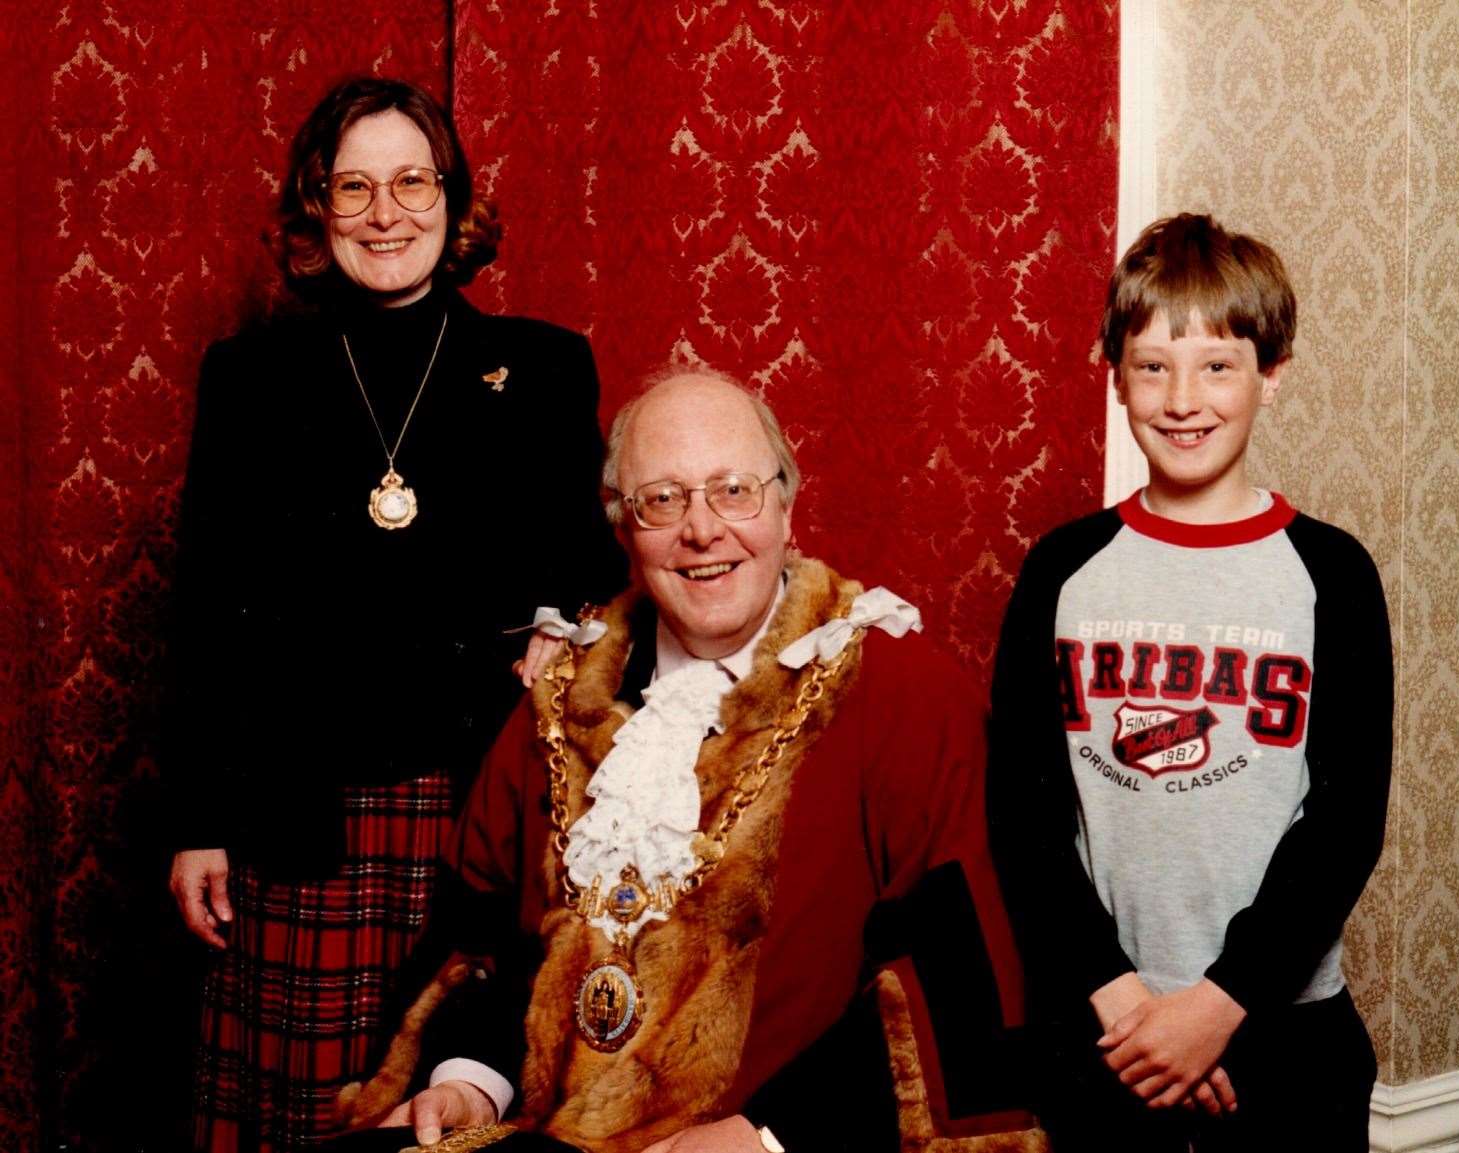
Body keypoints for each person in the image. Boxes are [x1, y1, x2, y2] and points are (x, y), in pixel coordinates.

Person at [349, 369, 1038, 1151]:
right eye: (663, 499)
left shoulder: (906, 697)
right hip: (552, 1133)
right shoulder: (557, 705)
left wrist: (768, 1134)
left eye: (734, 489)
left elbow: (960, 987)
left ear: (786, 503)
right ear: (623, 527)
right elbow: (487, 944)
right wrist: (469, 1082)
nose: (702, 529)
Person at [163, 77, 626, 1152]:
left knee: (456, 1105)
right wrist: (198, 818)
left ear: (453, 199)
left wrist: (566, 625)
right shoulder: (250, 377)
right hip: (297, 816)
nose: (387, 212)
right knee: (304, 1122)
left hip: (478, 804)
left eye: (413, 181)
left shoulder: (545, 366)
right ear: (316, 211)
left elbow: (594, 569)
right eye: (354, 186)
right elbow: (206, 609)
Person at [988, 214, 1392, 1151]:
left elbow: (1344, 824)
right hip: (1107, 1027)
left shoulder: (1332, 571)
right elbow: (1024, 811)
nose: (1183, 399)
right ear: (1114, 375)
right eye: (1153, 366)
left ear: (1272, 373)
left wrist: (1217, 1006)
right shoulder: (1064, 568)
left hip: (1284, 1033)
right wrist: (1131, 1006)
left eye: (1218, 365)